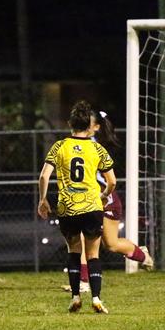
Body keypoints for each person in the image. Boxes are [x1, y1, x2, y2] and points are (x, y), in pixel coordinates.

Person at [61, 109, 154, 293]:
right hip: (87, 199)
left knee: (111, 244)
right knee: (80, 237)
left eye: (87, 124)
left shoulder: (93, 146)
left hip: (106, 198)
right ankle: (84, 282)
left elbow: (108, 179)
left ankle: (142, 256)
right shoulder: (75, 144)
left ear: (95, 127)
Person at [38, 101, 116, 313]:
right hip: (91, 207)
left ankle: (75, 297)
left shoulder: (59, 146)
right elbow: (112, 182)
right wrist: (103, 195)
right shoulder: (97, 149)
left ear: (70, 123)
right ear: (89, 126)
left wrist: (43, 200)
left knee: (74, 251)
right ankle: (97, 298)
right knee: (93, 255)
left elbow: (44, 175)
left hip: (68, 208)